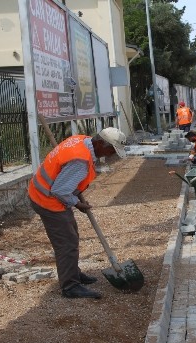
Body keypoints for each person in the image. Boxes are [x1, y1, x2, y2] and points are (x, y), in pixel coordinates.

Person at [28, 127, 127, 299]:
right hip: (47, 200)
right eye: (111, 149)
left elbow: (64, 179)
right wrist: (77, 203)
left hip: (42, 191)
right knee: (67, 243)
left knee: (72, 235)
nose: (112, 154)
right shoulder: (80, 161)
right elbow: (60, 190)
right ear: (100, 144)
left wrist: (75, 195)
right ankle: (70, 286)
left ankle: (73, 272)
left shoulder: (82, 141)